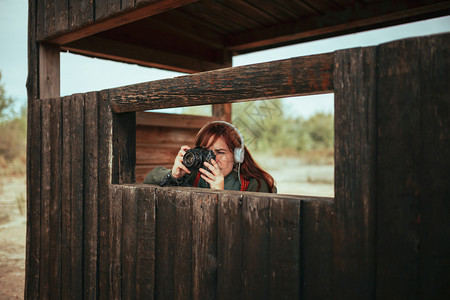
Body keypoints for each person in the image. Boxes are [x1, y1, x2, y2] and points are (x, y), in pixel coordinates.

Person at [143, 121, 277, 193]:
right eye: (206, 152)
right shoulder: (194, 175)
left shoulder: (255, 184)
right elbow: (148, 179)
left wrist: (221, 195)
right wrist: (173, 175)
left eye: (220, 152)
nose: (212, 159)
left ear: (237, 156)